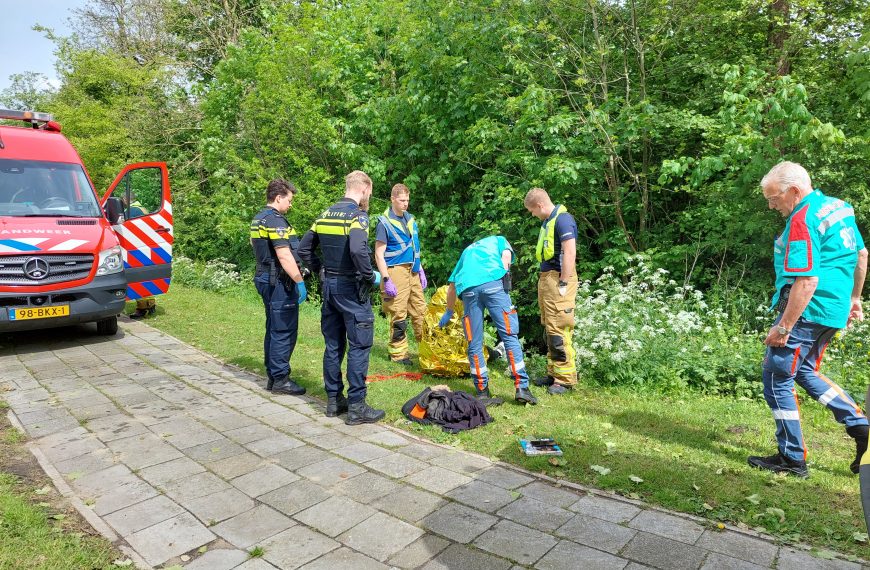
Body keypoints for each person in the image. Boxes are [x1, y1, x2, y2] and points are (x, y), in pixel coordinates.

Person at [749, 161, 869, 478]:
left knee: (777, 380)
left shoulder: (803, 218)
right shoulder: (838, 208)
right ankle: (861, 425)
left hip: (807, 311)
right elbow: (861, 255)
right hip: (833, 311)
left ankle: (792, 459)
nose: (772, 205)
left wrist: (784, 327)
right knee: (804, 371)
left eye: (774, 198)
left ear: (794, 191)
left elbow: (806, 281)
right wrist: (854, 299)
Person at [298, 170, 385, 425]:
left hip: (329, 287)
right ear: (365, 188)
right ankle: (357, 406)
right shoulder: (358, 217)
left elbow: (303, 248)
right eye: (370, 192)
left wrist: (319, 270)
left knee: (334, 344)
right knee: (360, 345)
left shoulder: (324, 215)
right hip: (351, 288)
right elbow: (359, 250)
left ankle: (334, 401)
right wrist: (370, 277)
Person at [438, 235, 538, 405]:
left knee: (474, 342)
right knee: (509, 335)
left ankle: (482, 392)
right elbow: (506, 258)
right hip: (493, 284)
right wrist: (504, 282)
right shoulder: (499, 240)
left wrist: (449, 311)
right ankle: (522, 388)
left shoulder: (467, 251)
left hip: (469, 291)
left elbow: (452, 286)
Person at [250, 179, 308, 396]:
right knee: (284, 330)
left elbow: (254, 245)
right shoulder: (275, 221)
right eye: (289, 200)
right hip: (279, 283)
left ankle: (273, 376)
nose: (290, 205)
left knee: (273, 328)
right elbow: (284, 255)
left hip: (264, 277)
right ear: (278, 198)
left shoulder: (259, 219)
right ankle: (281, 379)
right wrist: (299, 282)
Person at [524, 188, 579, 395]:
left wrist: (564, 281)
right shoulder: (548, 221)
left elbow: (569, 251)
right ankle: (554, 373)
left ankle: (564, 379)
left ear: (539, 205)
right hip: (547, 279)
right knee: (549, 326)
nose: (533, 215)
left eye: (532, 211)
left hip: (559, 279)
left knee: (559, 328)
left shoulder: (563, 220)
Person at [374, 183, 427, 366]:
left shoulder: (410, 219)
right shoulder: (384, 223)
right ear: (393, 199)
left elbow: (414, 246)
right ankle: (398, 354)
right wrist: (386, 279)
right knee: (399, 313)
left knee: (421, 312)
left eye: (407, 200)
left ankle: (426, 350)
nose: (406, 204)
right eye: (402, 200)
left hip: (412, 270)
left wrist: (420, 268)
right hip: (395, 271)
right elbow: (379, 254)